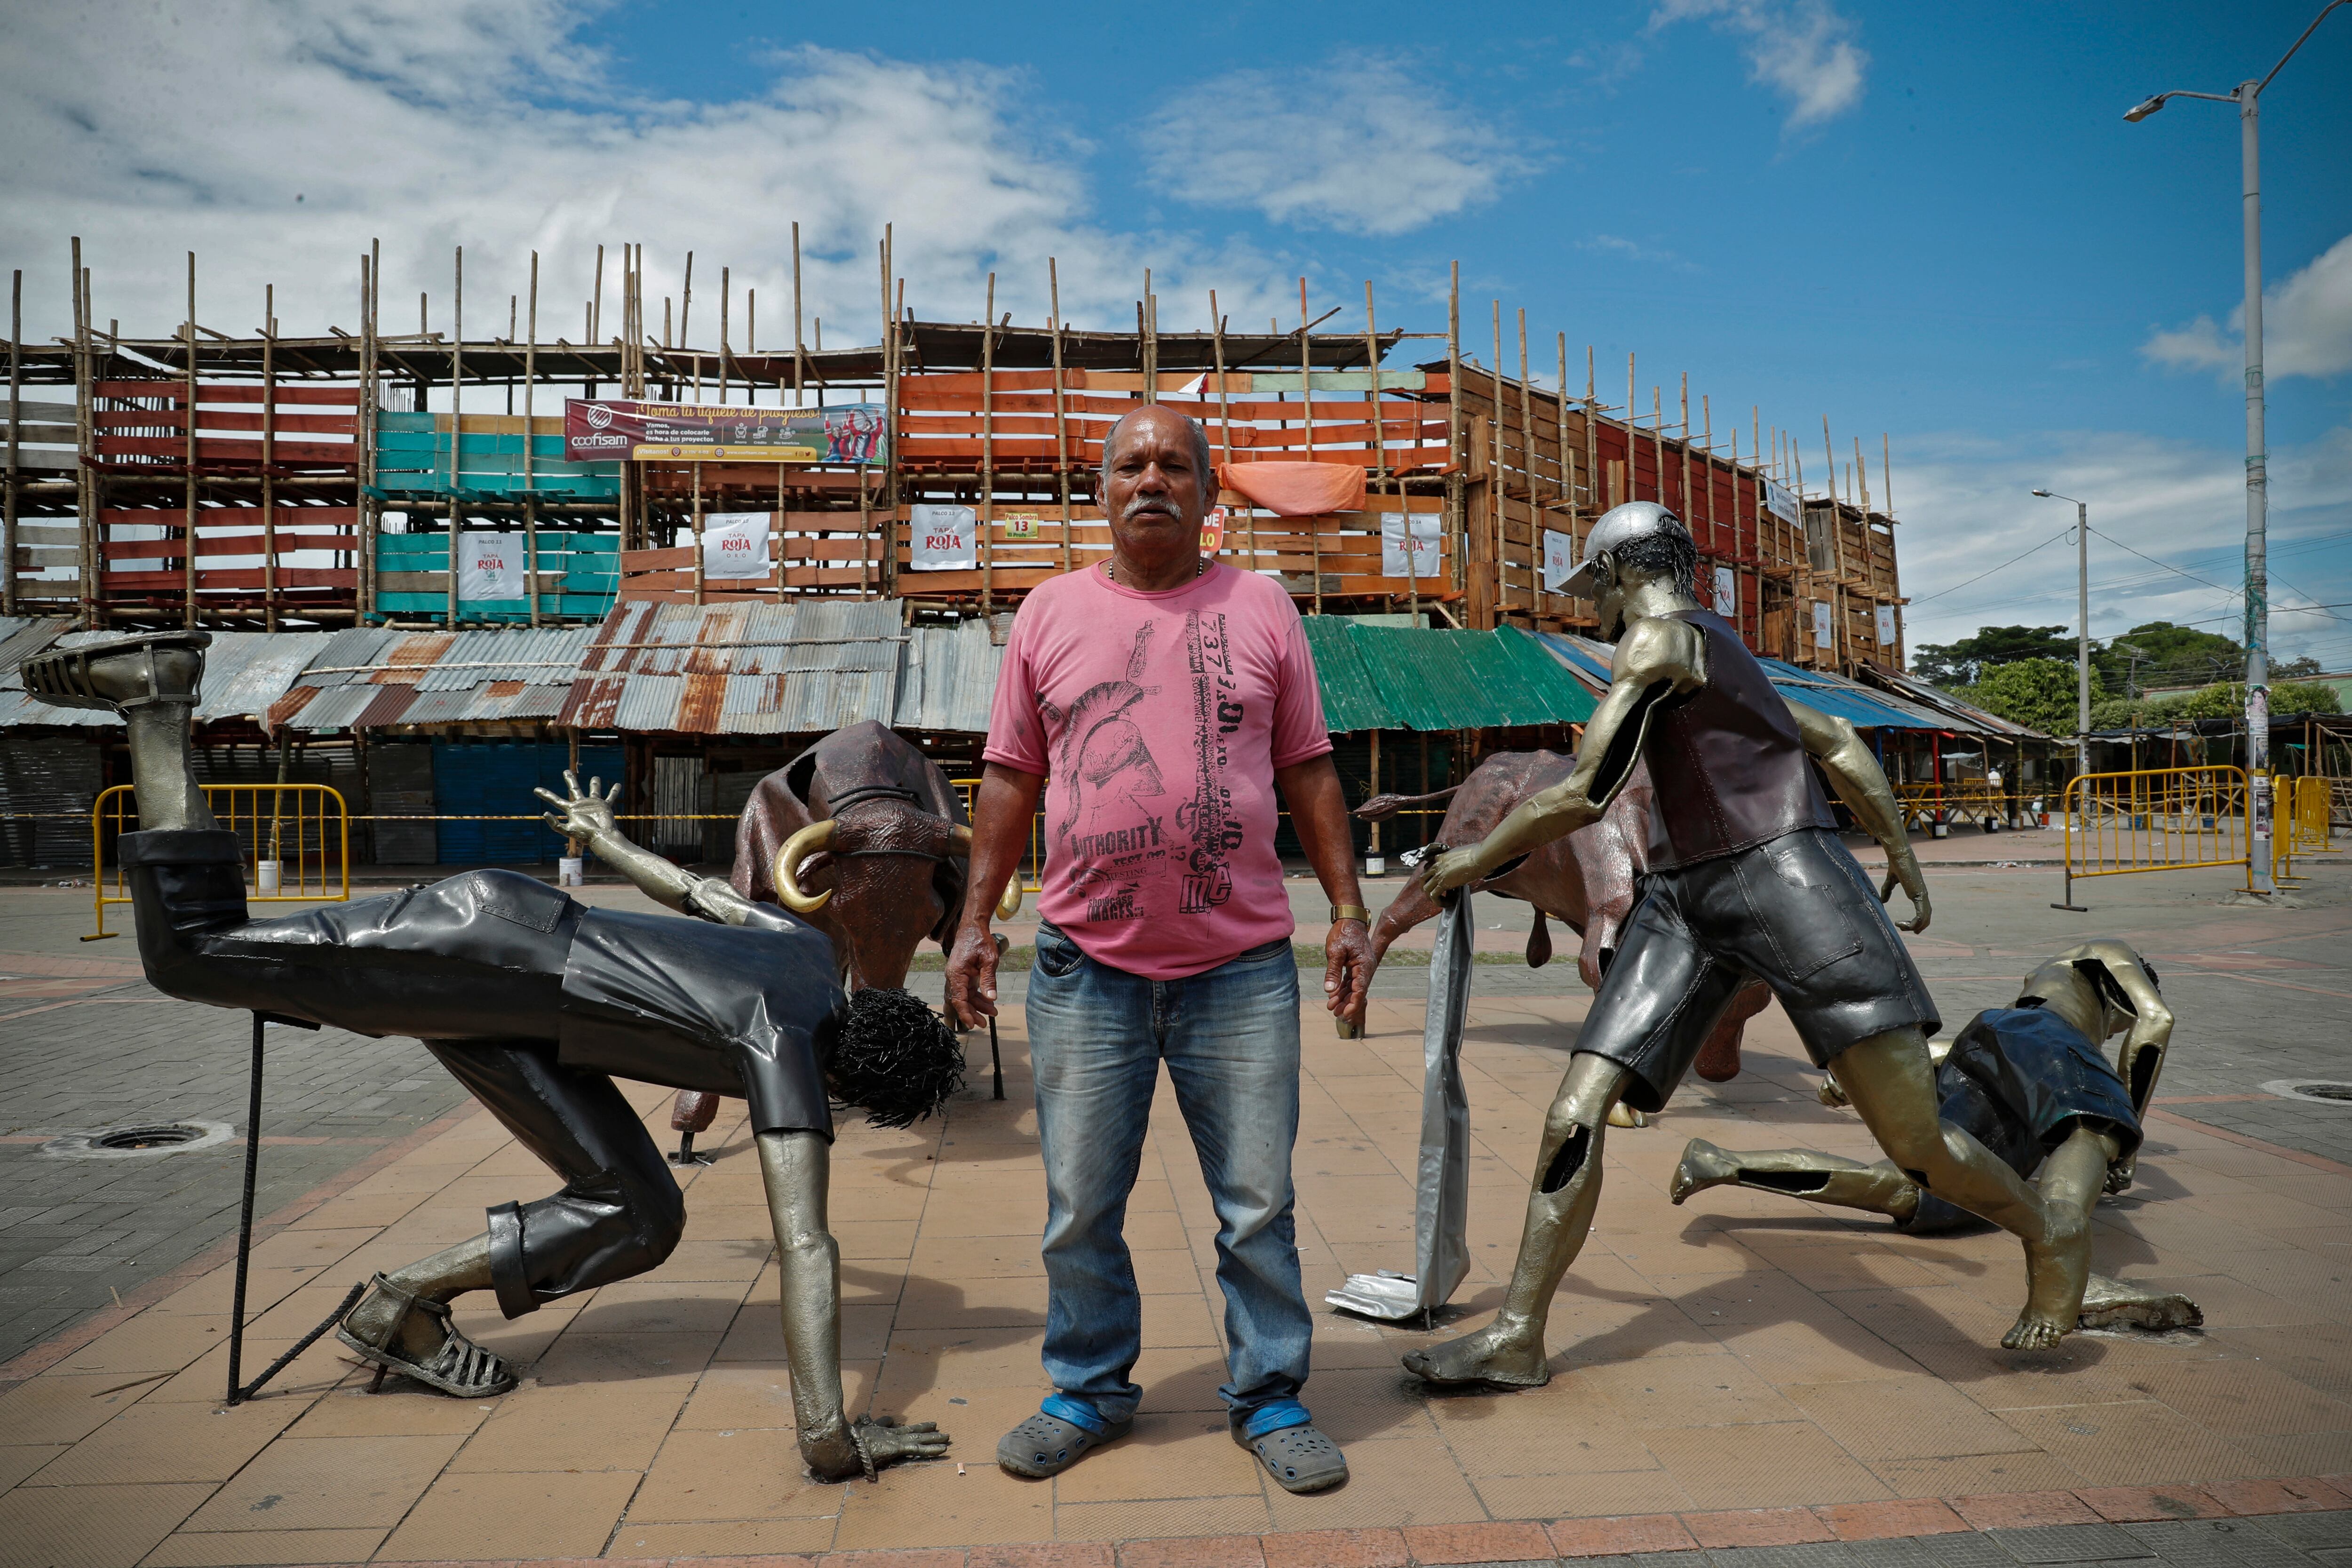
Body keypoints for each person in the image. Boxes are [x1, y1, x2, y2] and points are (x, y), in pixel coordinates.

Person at [22, 631, 954, 1483]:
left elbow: (702, 894)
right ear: (852, 1080)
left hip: (526, 1000)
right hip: (483, 951)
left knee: (642, 1213)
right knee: (196, 956)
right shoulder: (789, 1047)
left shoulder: (807, 952)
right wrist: (828, 1434)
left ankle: (399, 1305)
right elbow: (807, 1243)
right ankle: (156, 700)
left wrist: (606, 841)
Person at [1408, 502, 2087, 1383]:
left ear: (1621, 574)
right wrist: (1900, 849)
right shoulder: (1723, 651)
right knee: (1575, 1111)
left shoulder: (1657, 643)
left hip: (1787, 882)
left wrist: (1470, 860)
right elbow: (1837, 738)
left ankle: (2050, 1231)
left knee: (1915, 1140)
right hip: (1684, 897)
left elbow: (1583, 792)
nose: (1593, 611)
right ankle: (1519, 1334)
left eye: (1595, 589)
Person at [946, 405, 1368, 1496]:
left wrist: (1350, 911)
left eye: (1174, 465)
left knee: (1257, 1203)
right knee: (1081, 1206)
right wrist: (971, 922)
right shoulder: (1048, 614)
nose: (1151, 480)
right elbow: (1008, 778)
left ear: (1207, 494)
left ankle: (1269, 1392)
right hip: (1088, 968)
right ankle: (1087, 1386)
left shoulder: (1262, 605)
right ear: (1100, 493)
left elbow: (1310, 767)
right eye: (1129, 465)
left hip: (1242, 969)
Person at [1670, 940, 2198, 1335]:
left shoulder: (2039, 988)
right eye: (2112, 1030)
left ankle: (1723, 1163)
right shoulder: (2106, 954)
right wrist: (2124, 1136)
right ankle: (2072, 1263)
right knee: (2091, 1128)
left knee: (1926, 1191)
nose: (2108, 1038)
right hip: (2035, 1039)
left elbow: (1998, 1042)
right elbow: (2156, 1023)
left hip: (1982, 1042)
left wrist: (1878, 1075)